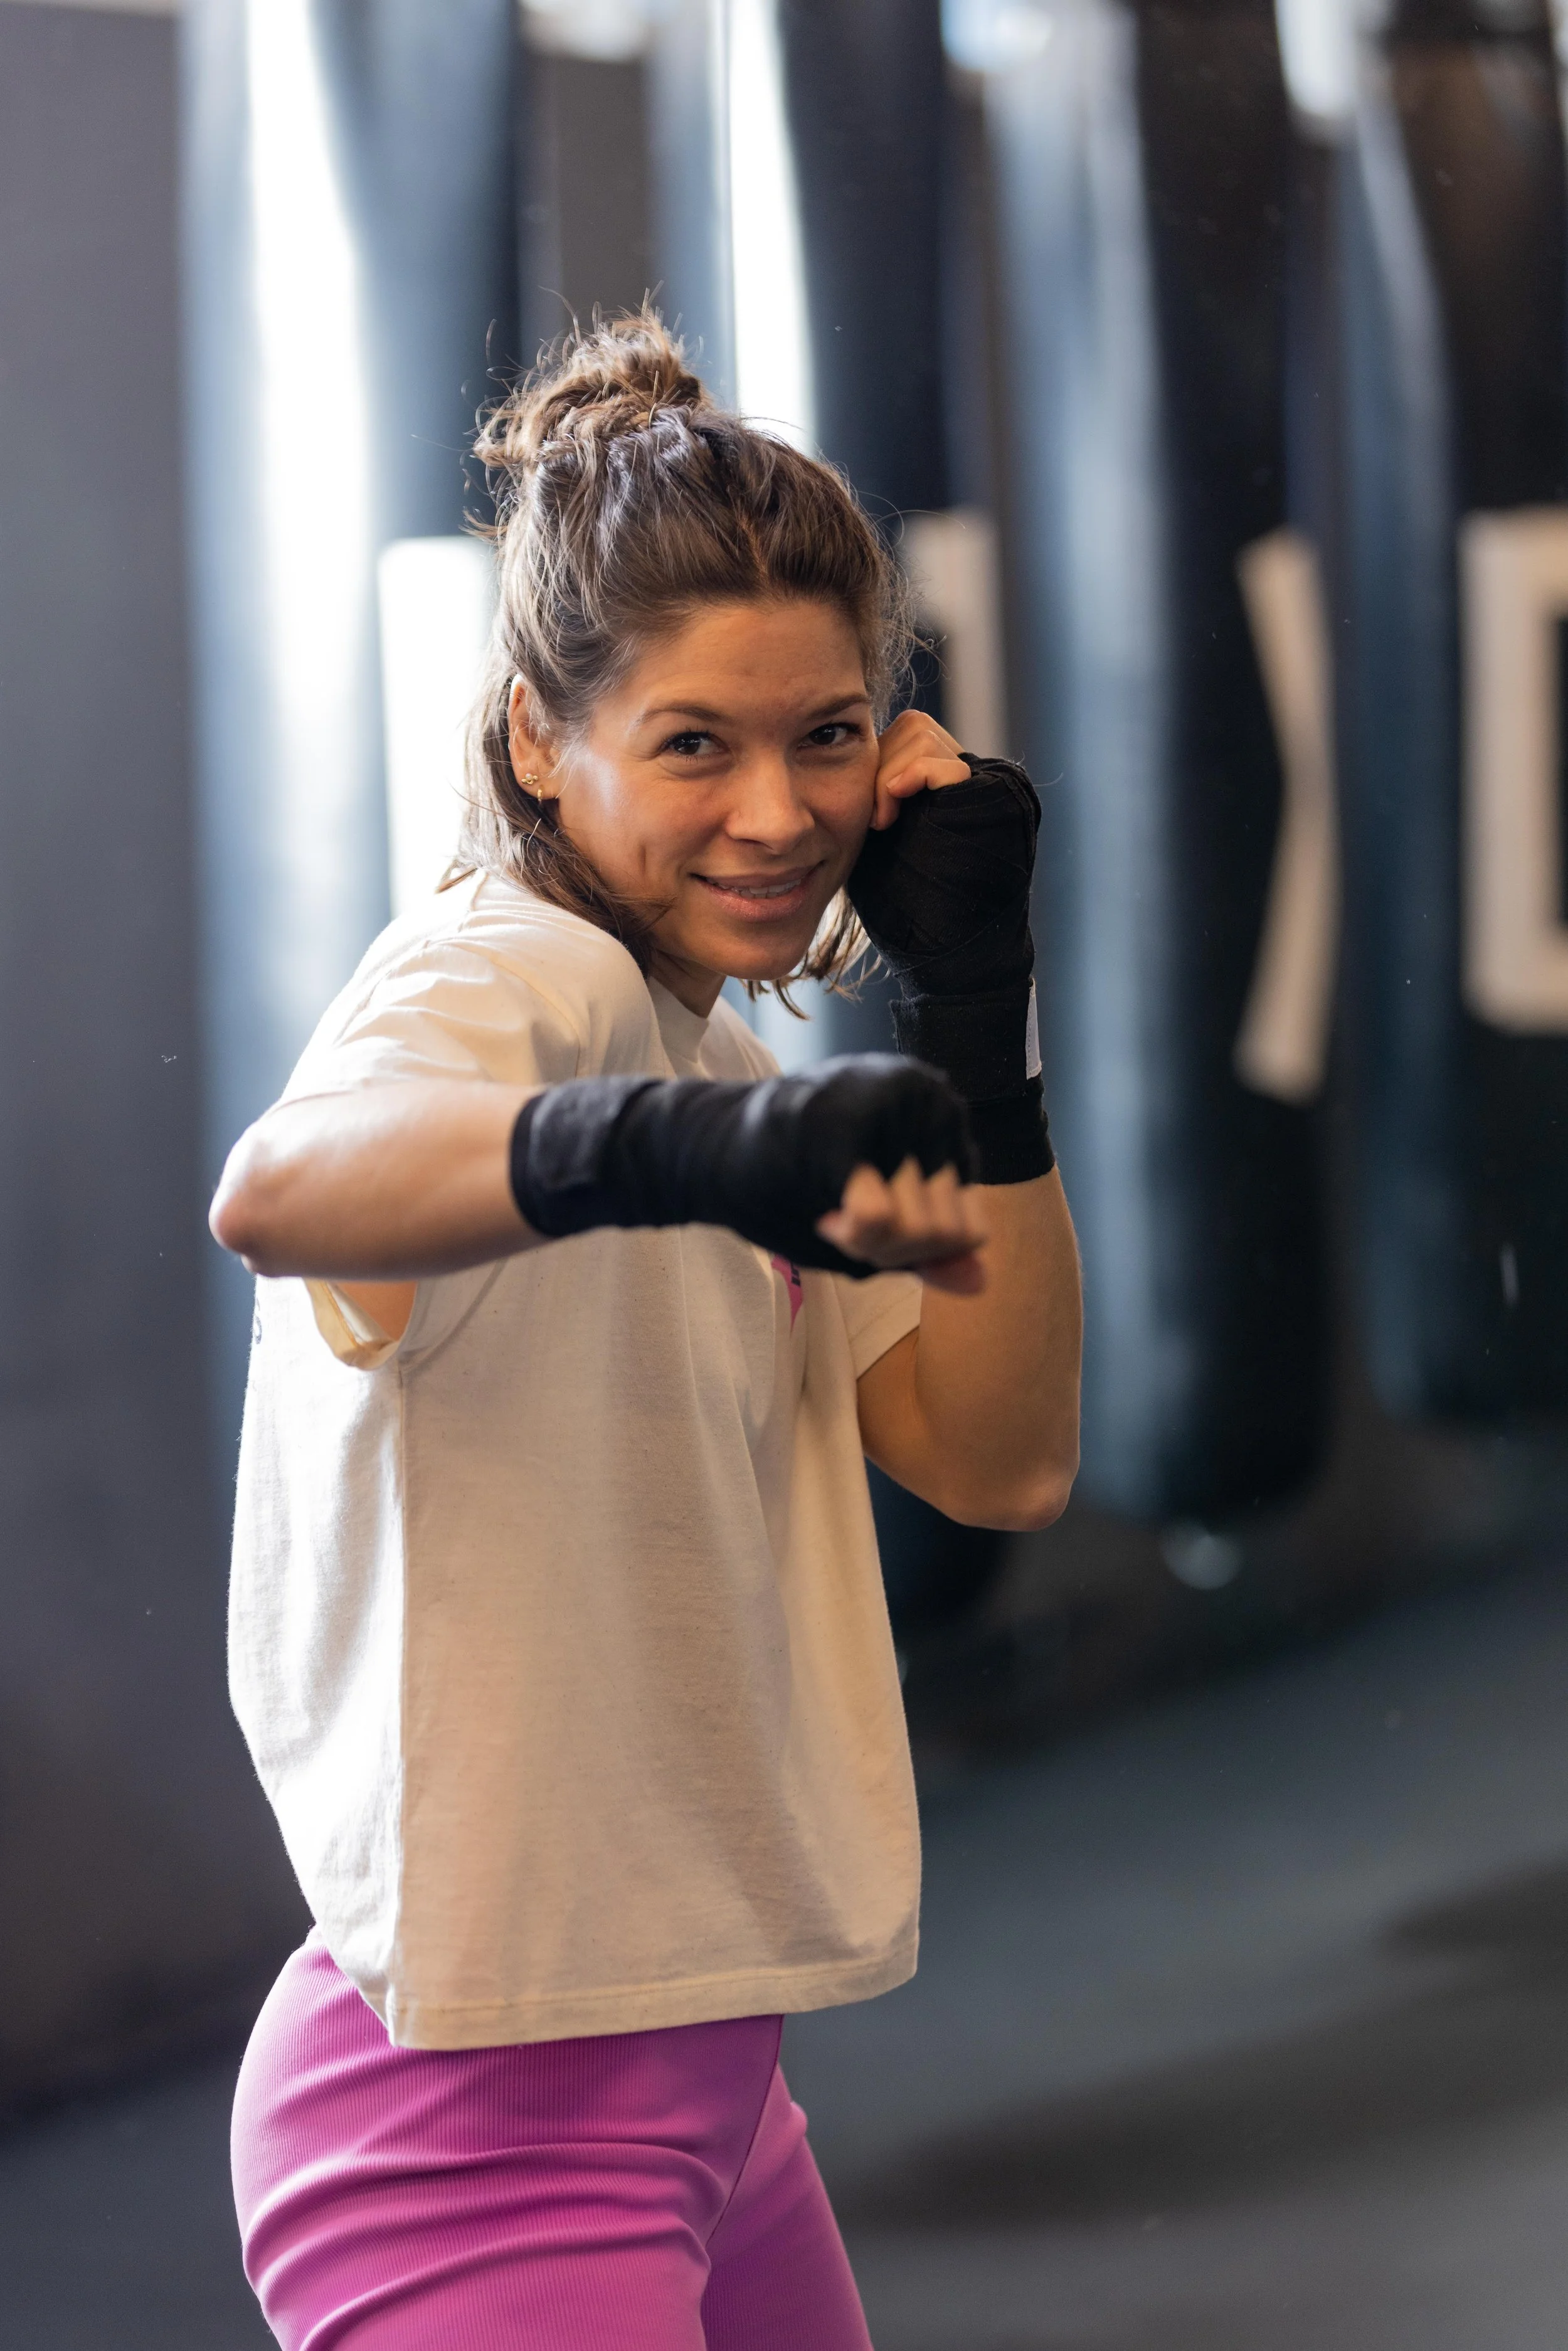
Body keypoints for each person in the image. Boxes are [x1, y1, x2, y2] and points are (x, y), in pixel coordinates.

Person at [211, 313, 1081, 2351]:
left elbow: (999, 1450)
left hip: (693, 2089)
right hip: (470, 2129)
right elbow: (279, 1187)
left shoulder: (701, 1054)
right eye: (694, 741)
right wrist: (671, 1149)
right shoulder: (517, 971)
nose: (778, 812)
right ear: (541, 738)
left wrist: (976, 1028)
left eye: (829, 733)